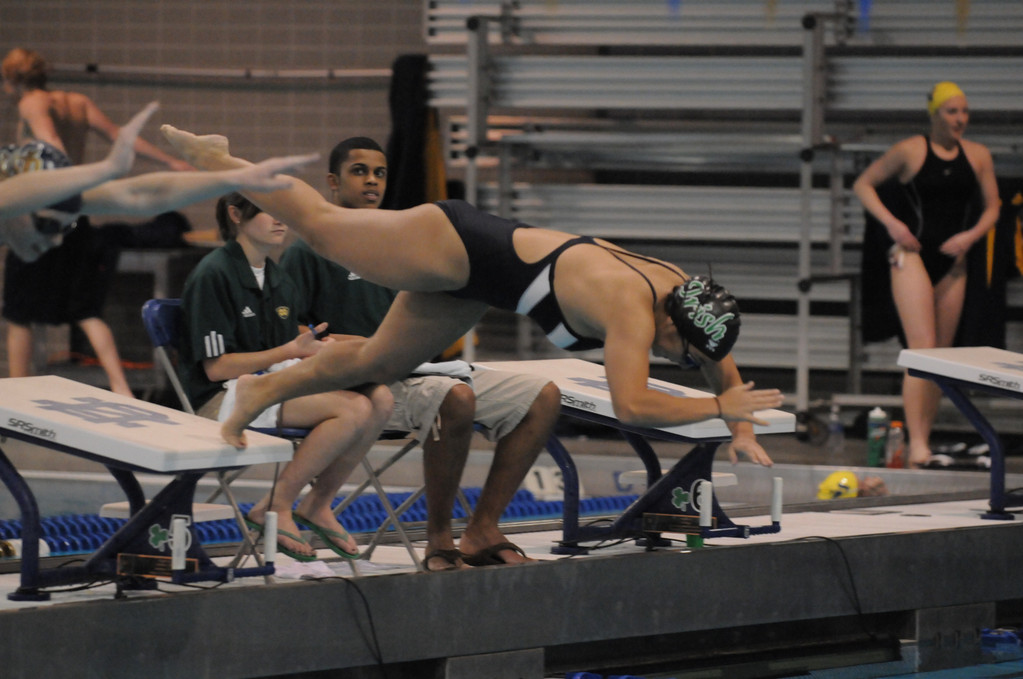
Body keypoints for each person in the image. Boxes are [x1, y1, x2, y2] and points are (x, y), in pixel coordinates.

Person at [161, 124, 785, 464]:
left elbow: (719, 361)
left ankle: (262, 391)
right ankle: (224, 162)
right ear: (672, 326)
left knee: (379, 362)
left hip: (478, 285)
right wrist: (717, 408)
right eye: (681, 356)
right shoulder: (632, 309)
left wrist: (742, 430)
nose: (681, 362)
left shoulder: (688, 302)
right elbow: (633, 407)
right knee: (323, 229)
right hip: (459, 244)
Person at [279, 137, 561, 570]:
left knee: (541, 397)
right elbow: (291, 336)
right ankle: (439, 541)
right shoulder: (308, 251)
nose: (371, 181)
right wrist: (362, 347)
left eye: (379, 173)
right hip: (362, 385)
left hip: (419, 369)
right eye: (359, 171)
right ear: (333, 182)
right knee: (454, 398)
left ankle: (483, 529)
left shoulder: (397, 242)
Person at [178, 192, 393, 561]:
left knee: (381, 399)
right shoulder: (214, 275)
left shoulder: (278, 279)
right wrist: (291, 350)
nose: (281, 219)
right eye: (268, 211)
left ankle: (318, 503)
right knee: (352, 409)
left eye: (283, 211)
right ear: (236, 215)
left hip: (271, 384)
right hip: (222, 398)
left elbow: (288, 349)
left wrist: (326, 348)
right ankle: (276, 505)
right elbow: (217, 368)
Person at [2, 47, 194, 396]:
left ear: (12, 81)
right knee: (86, 310)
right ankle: (121, 387)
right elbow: (120, 136)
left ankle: (14, 395)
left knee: (18, 313)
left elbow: (50, 144)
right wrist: (169, 161)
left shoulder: (30, 102)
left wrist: (61, 187)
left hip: (43, 215)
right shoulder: (78, 102)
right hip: (77, 216)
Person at [853, 81, 1000, 468]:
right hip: (911, 255)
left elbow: (993, 207)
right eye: (952, 112)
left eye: (964, 112)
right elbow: (863, 184)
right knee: (921, 350)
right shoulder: (911, 150)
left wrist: (970, 237)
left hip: (953, 262)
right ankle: (916, 444)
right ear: (934, 114)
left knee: (940, 359)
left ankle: (924, 441)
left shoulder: (978, 155)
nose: (960, 119)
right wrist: (892, 225)